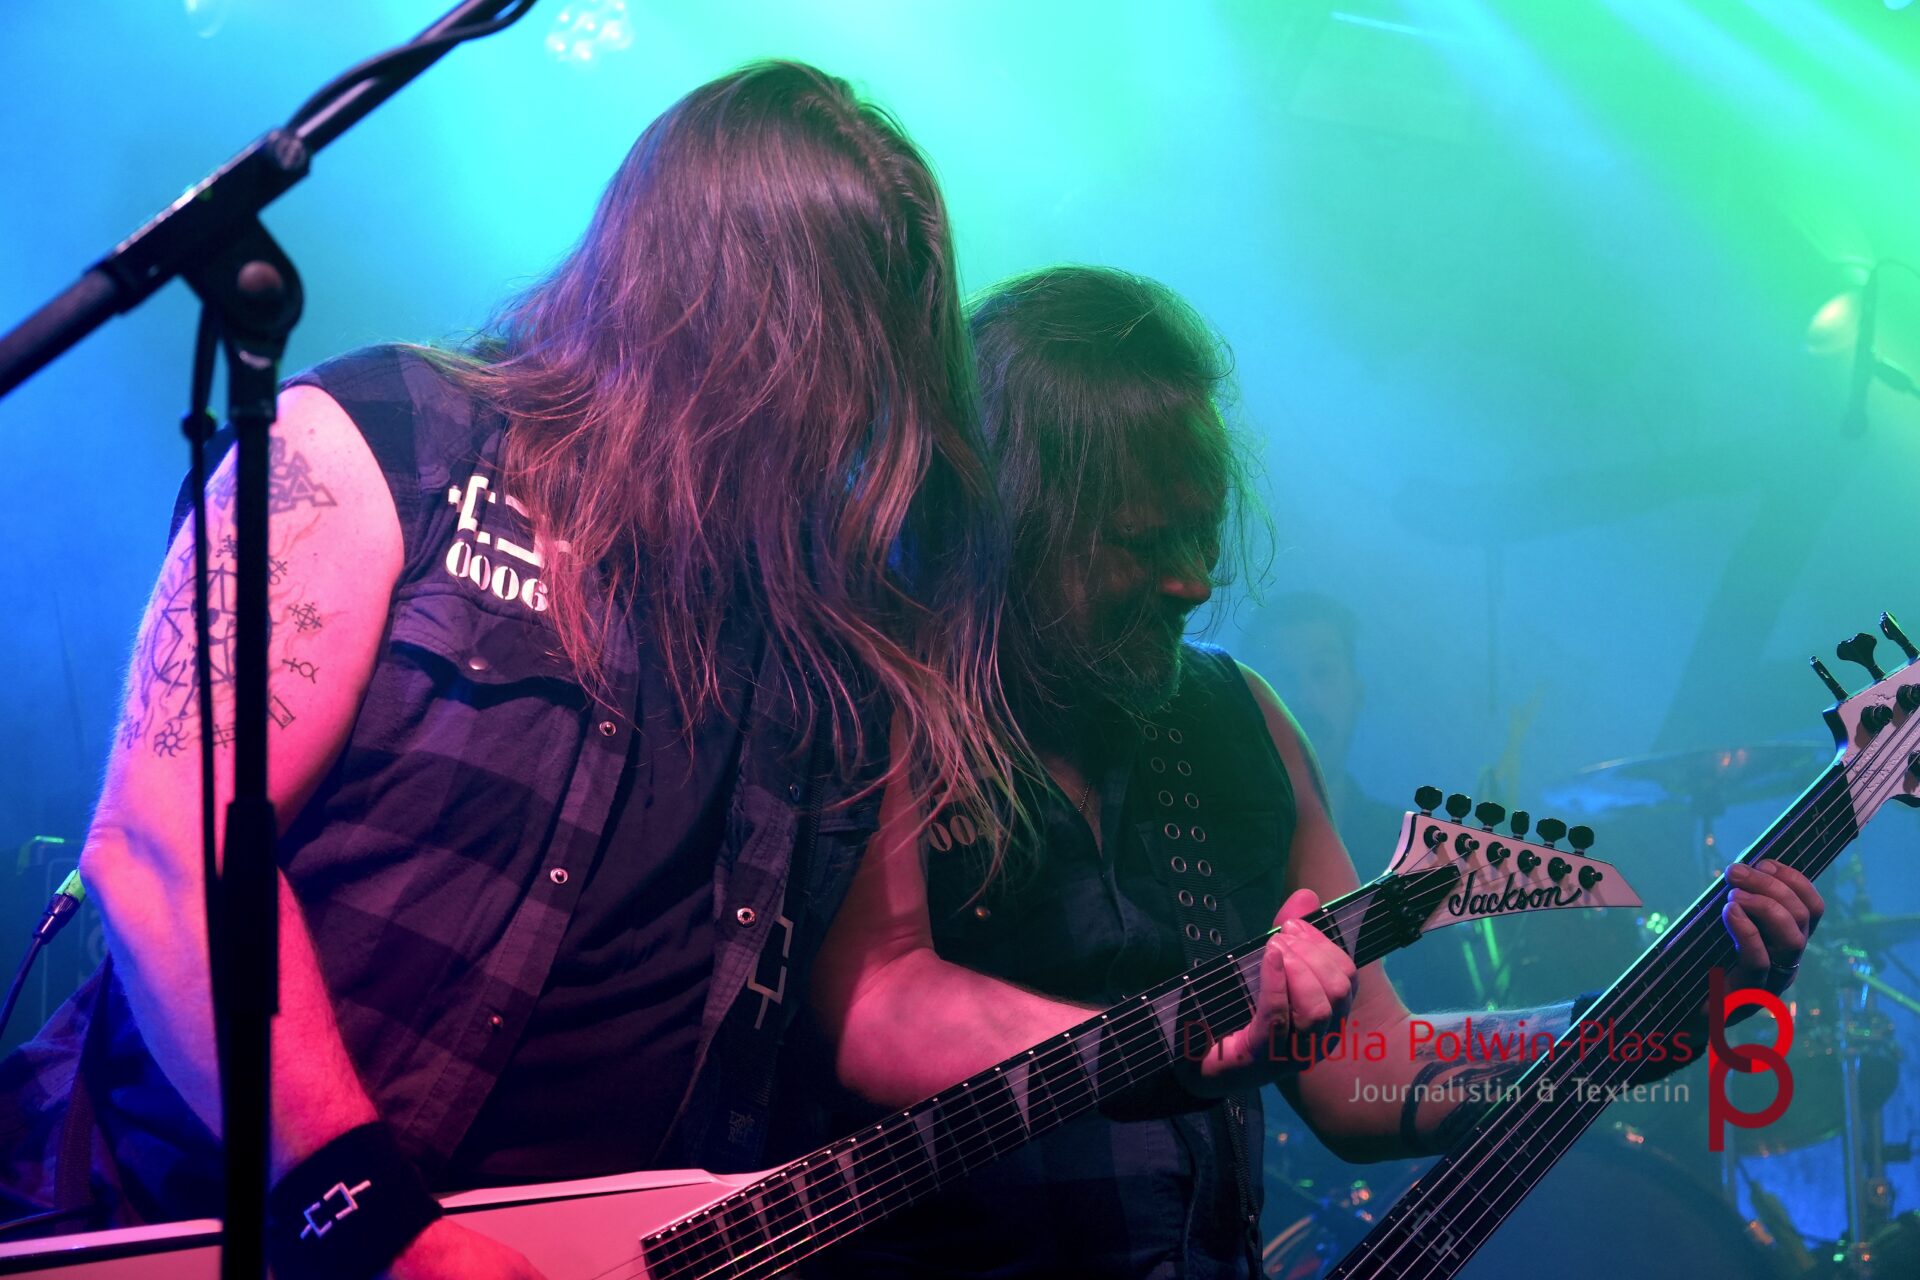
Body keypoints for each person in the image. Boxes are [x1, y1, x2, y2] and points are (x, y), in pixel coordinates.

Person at [0, 61, 1030, 1280]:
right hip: (204, 1221)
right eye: (837, 353)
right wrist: (367, 1211)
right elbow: (166, 846)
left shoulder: (837, 634)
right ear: (716, 306)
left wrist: (1170, 1026)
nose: (859, 409)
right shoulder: (385, 437)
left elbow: (881, 986)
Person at [803, 266, 1824, 1278]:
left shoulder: (1236, 719)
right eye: (1144, 539)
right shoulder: (877, 698)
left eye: (1202, 529)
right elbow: (879, 1001)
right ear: (1019, 521)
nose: (1192, 579)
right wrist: (1182, 1050)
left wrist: (1644, 1023)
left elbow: (1377, 1069)